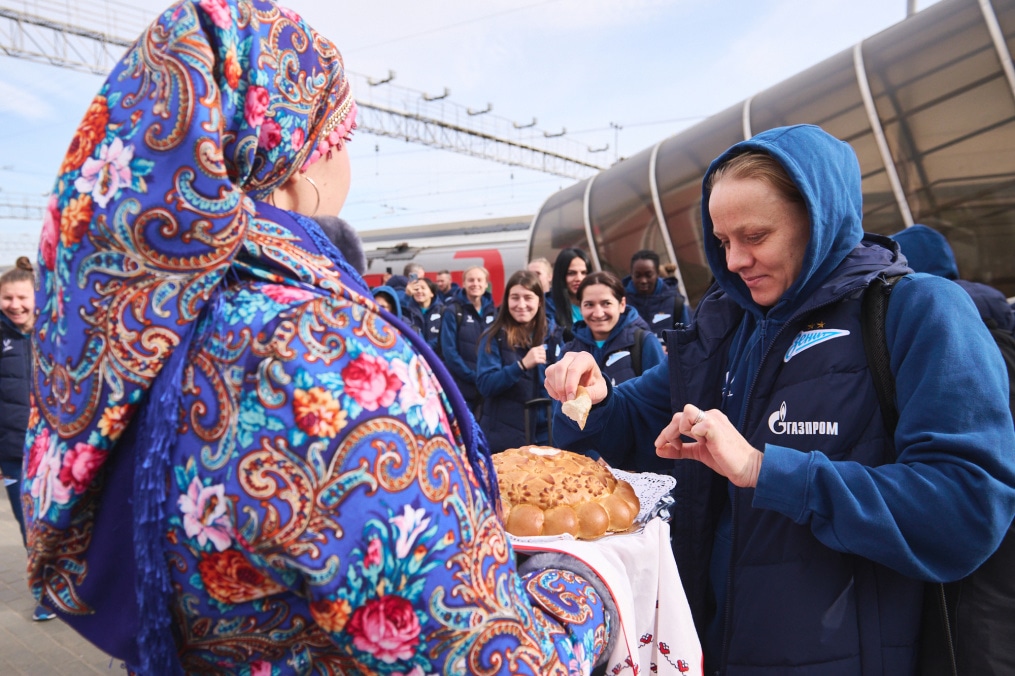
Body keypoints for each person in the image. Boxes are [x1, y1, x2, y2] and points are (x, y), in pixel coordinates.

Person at [23, 1, 615, 672]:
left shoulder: (140, 328)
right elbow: (487, 659)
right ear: (297, 167)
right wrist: (592, 585)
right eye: (341, 139)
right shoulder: (314, 349)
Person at [545, 124, 1015, 674]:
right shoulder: (730, 329)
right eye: (723, 241)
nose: (737, 260)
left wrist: (766, 471)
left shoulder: (919, 311)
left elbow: (967, 506)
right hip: (717, 647)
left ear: (818, 221)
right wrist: (594, 395)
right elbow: (633, 421)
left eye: (756, 236)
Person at [0, 258, 55, 622]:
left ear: (36, 296)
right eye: (6, 299)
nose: (14, 305)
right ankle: (46, 595)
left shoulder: (57, 331)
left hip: (56, 449)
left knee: (66, 521)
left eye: (21, 297)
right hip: (12, 454)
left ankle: (82, 591)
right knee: (29, 526)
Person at [476, 270, 560, 452]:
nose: (521, 305)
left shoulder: (554, 334)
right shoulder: (493, 336)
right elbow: (485, 385)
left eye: (528, 297)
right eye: (515, 297)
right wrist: (520, 366)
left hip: (547, 436)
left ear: (539, 301)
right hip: (505, 438)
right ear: (507, 301)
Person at [439, 265, 496, 413]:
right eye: (471, 280)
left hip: (488, 389)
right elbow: (449, 352)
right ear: (463, 284)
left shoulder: (494, 311)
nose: (475, 284)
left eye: (479, 280)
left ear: (486, 284)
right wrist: (472, 376)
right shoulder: (453, 311)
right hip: (462, 388)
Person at [624, 250, 690, 340]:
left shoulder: (675, 302)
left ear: (657, 274)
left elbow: (687, 339)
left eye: (648, 275)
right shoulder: (621, 304)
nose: (643, 280)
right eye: (638, 275)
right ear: (631, 274)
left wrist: (671, 348)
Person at [550, 247, 591, 340]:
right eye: (571, 273)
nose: (579, 278)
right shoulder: (549, 307)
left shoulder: (599, 305)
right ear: (561, 275)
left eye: (584, 273)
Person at [403, 276, 444, 351]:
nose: (419, 291)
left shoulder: (443, 311)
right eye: (416, 289)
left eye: (423, 288)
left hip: (437, 357)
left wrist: (427, 348)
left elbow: (444, 336)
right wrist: (407, 296)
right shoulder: (408, 311)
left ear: (432, 293)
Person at [527, 257, 556, 324]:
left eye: (538, 273)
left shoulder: (558, 301)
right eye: (529, 274)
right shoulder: (523, 301)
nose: (533, 277)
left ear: (550, 277)